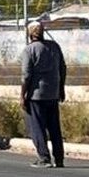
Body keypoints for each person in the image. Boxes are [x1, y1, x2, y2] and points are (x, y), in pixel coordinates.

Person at [20, 20, 67, 168]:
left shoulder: (29, 50)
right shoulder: (54, 47)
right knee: (54, 127)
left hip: (36, 95)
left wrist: (22, 94)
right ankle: (59, 158)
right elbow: (63, 68)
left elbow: (26, 75)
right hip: (52, 93)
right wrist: (61, 89)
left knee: (37, 127)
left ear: (29, 33)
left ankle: (44, 158)